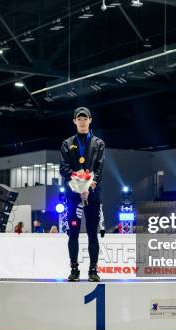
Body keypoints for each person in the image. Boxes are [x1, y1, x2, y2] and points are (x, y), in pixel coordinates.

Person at [60, 107, 106, 282]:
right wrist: (79, 184)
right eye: (79, 118)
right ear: (74, 121)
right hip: (73, 194)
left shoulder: (98, 143)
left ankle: (93, 270)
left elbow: (99, 169)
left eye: (85, 118)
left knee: (92, 233)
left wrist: (89, 187)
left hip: (92, 194)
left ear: (90, 120)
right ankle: (74, 269)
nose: (82, 121)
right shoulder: (67, 143)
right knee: (73, 232)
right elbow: (63, 168)